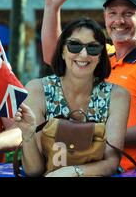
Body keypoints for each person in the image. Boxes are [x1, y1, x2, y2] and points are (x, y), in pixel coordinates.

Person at [40, 0, 136, 170]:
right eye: (112, 13)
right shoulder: (103, 54)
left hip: (134, 170)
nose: (119, 20)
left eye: (128, 13)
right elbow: (54, 54)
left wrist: (101, 137)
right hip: (91, 165)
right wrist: (52, 7)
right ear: (105, 16)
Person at [14, 17, 130, 177]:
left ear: (100, 56)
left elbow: (111, 163)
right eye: (74, 45)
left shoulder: (118, 95)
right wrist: (27, 134)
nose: (83, 54)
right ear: (62, 50)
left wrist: (73, 172)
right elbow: (34, 171)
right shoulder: (37, 90)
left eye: (93, 48)